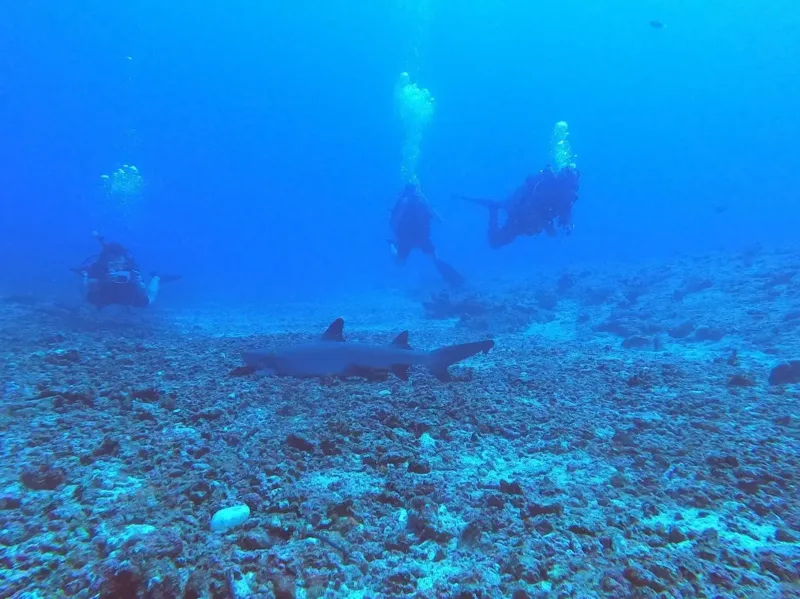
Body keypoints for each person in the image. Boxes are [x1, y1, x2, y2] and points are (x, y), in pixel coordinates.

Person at [458, 165, 580, 248]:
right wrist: (547, 226)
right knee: (495, 242)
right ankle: (493, 209)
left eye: (575, 187)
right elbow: (531, 209)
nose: (574, 192)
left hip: (527, 219)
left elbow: (566, 212)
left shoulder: (567, 197)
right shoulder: (546, 190)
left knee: (499, 239)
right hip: (518, 214)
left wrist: (567, 224)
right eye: (571, 187)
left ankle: (496, 205)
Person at [73, 231, 177, 308]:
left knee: (146, 301)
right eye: (112, 263)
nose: (117, 267)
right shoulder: (99, 268)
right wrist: (90, 278)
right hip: (105, 292)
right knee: (89, 299)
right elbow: (86, 291)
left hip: (127, 293)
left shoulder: (131, 268)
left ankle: (156, 278)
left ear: (125, 261)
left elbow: (143, 293)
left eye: (120, 263)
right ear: (106, 261)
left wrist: (139, 284)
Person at [388, 183, 464, 287]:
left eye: (415, 192)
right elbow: (394, 221)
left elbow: (440, 220)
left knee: (436, 258)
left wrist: (426, 203)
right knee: (400, 263)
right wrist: (395, 236)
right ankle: (391, 245)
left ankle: (448, 278)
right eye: (412, 192)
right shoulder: (402, 203)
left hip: (422, 237)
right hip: (406, 238)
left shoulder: (422, 203)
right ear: (406, 193)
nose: (414, 195)